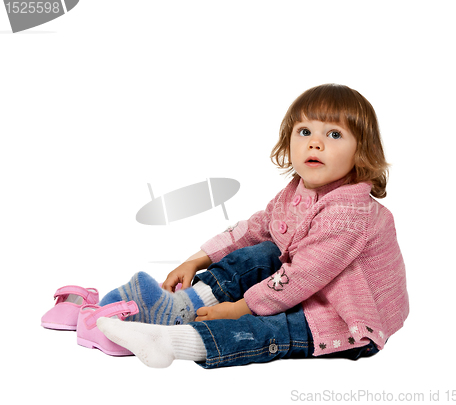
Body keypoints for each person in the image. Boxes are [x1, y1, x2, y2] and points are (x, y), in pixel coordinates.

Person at [96, 83, 410, 368]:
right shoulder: (300, 190)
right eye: (304, 132)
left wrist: (241, 308)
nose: (315, 143)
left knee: (270, 331)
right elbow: (258, 227)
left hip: (345, 317)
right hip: (308, 289)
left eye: (334, 135)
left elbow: (301, 276)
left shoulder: (349, 214)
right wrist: (198, 258)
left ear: (361, 152)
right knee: (262, 252)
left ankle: (175, 343)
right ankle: (180, 307)